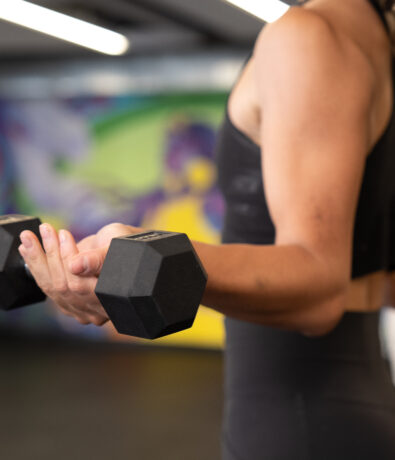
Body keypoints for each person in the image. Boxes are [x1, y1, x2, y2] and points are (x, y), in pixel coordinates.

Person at [17, 0, 395, 458]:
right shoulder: (378, 45)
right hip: (359, 400)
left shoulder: (310, 37)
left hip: (296, 420)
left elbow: (321, 288)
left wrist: (149, 257)